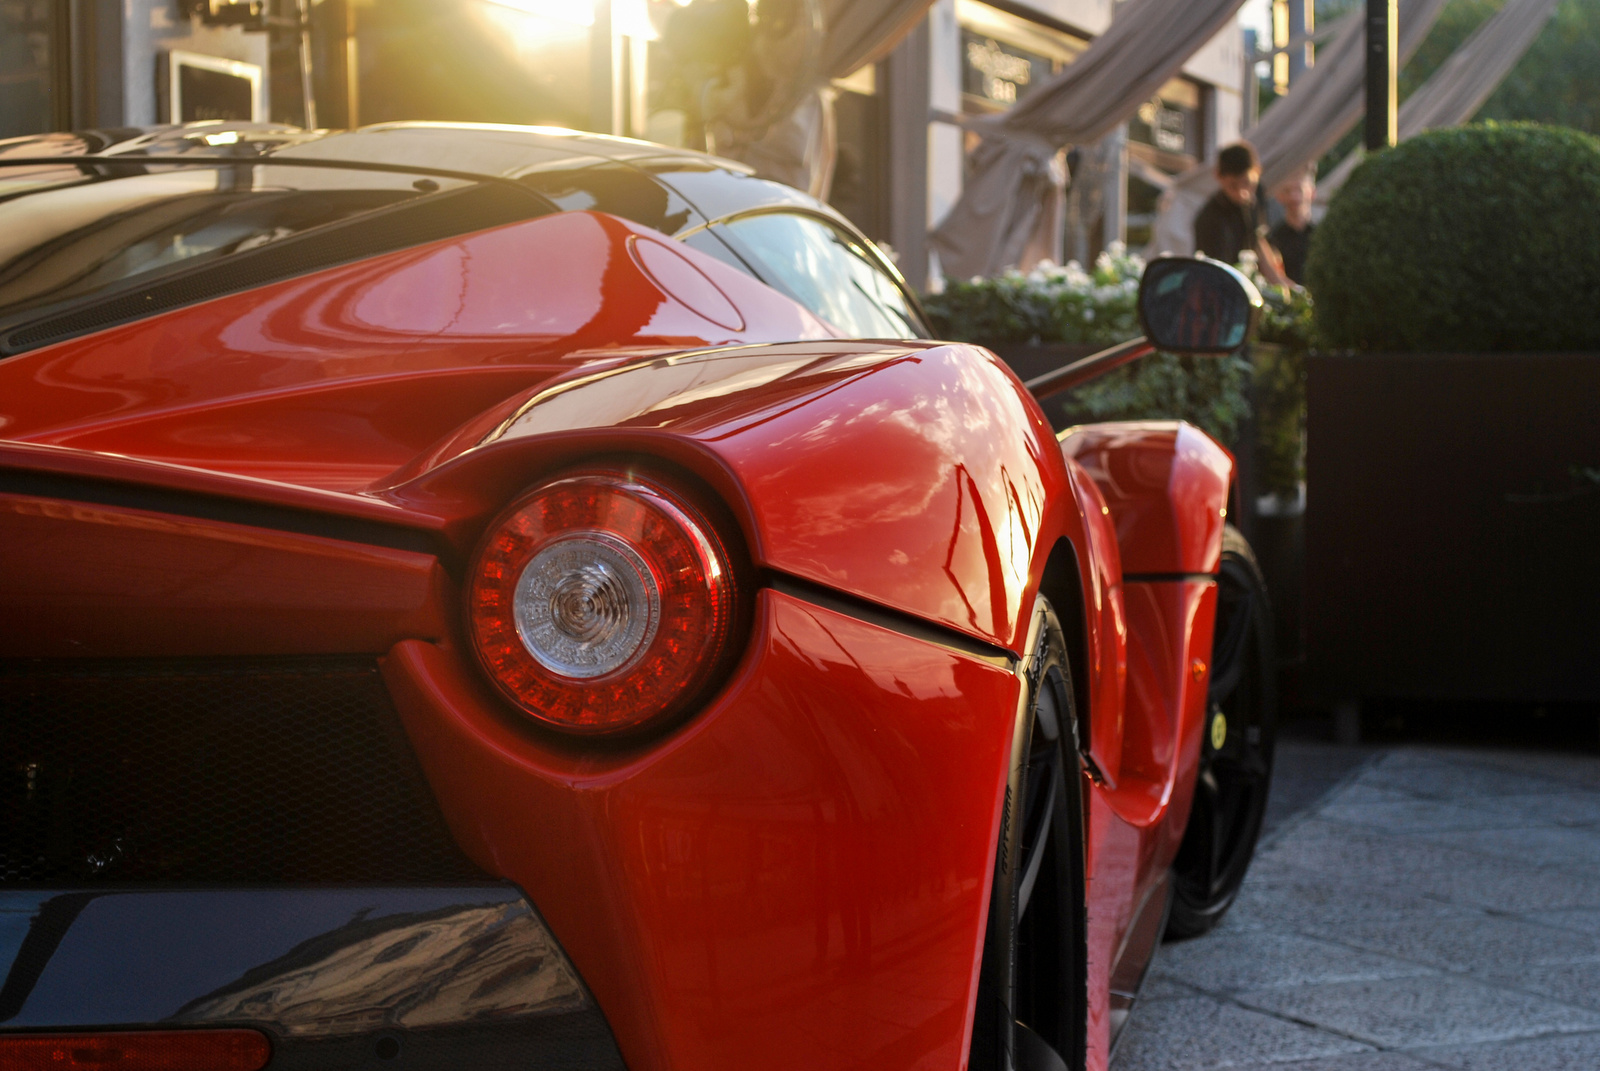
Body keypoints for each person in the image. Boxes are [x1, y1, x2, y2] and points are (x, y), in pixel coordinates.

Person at [1193, 142, 1290, 285]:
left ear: (1257, 171)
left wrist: (1281, 284)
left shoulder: (1258, 194)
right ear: (1218, 176)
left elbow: (1258, 240)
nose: (1242, 193)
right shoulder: (1208, 219)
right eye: (1233, 186)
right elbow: (1215, 273)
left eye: (1247, 183)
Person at [1269, 166, 1317, 286]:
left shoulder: (1323, 235)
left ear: (1311, 193)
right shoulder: (1273, 239)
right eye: (1287, 191)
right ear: (1279, 196)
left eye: (1299, 190)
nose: (1293, 197)